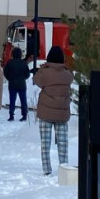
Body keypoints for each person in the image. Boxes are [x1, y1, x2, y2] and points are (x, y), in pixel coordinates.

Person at [33, 44, 73, 175]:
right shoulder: (67, 75)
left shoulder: (45, 73)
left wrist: (44, 67)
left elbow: (36, 80)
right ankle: (64, 168)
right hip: (62, 113)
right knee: (62, 143)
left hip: (46, 113)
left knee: (45, 143)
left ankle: (47, 170)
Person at [3, 46, 30, 122]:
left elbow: (5, 72)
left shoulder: (10, 63)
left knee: (12, 100)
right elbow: (27, 74)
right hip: (22, 84)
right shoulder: (23, 63)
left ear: (12, 54)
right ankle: (24, 115)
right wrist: (23, 78)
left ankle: (11, 115)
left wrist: (10, 79)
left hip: (12, 84)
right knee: (23, 100)